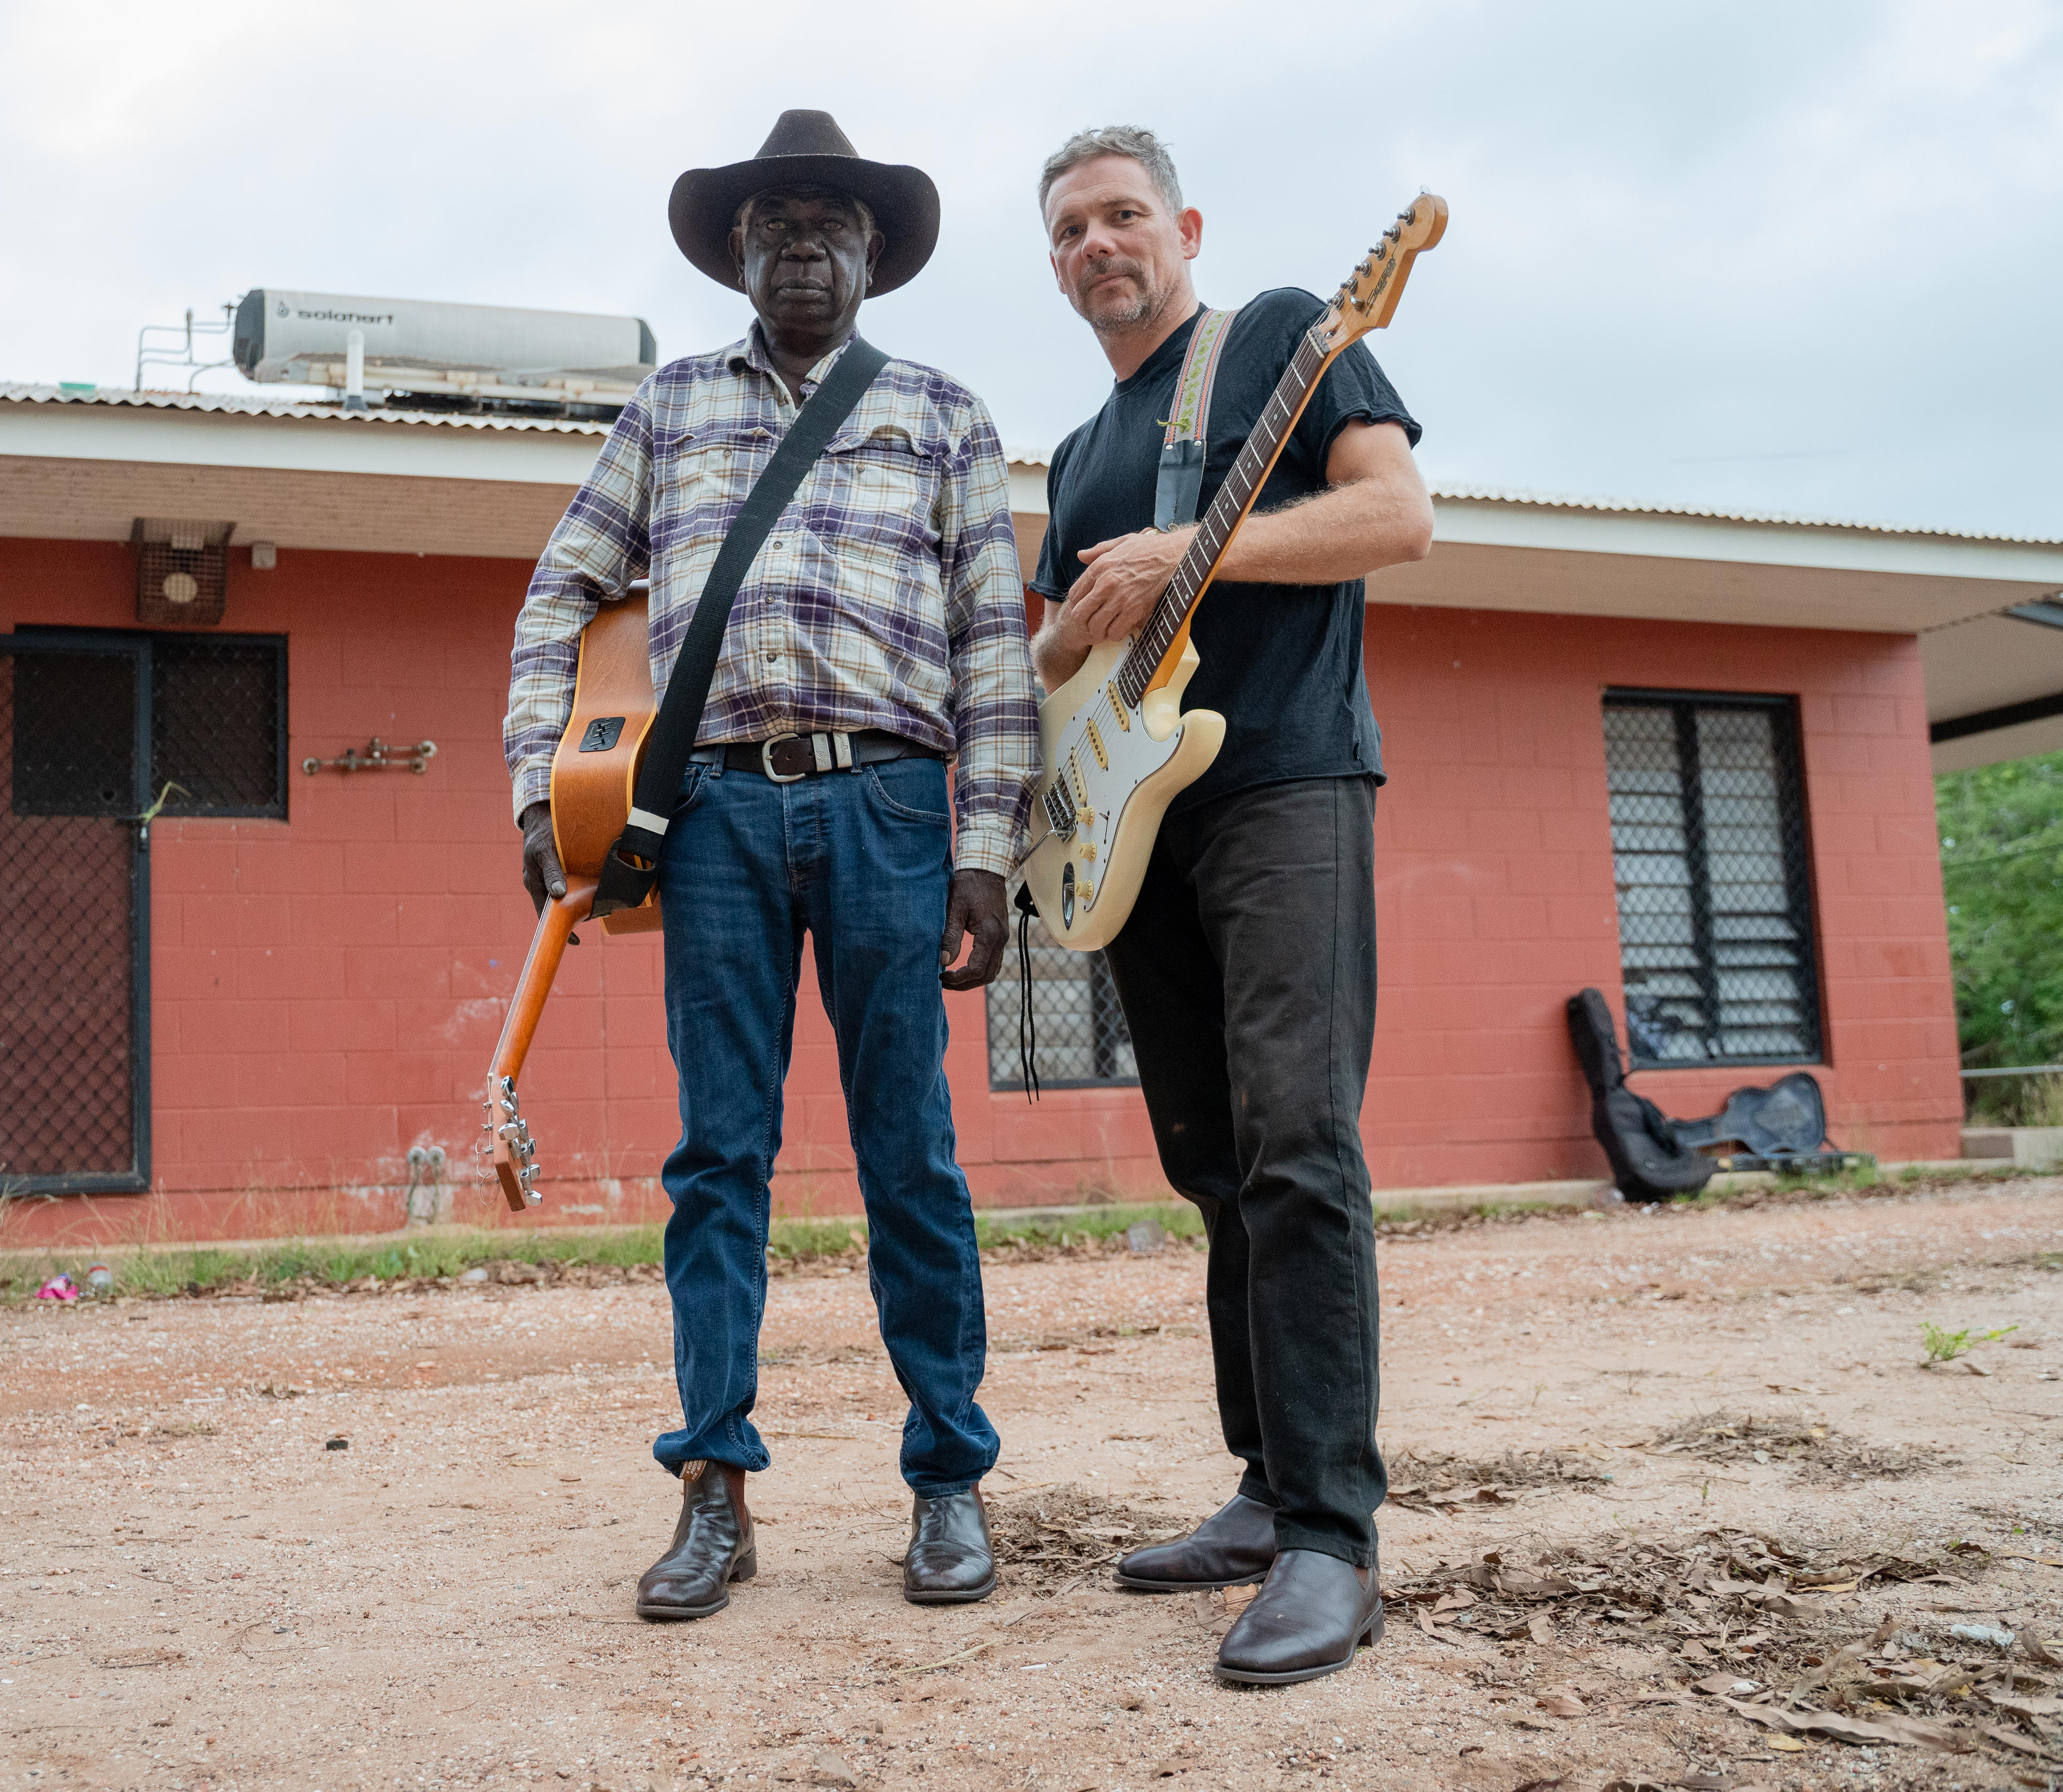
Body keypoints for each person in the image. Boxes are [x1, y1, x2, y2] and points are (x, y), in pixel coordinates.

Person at [503, 110, 1040, 1621]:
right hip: (718, 817)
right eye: (776, 227)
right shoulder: (669, 406)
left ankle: (948, 1481)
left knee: (909, 1152)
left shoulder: (943, 412)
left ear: (873, 255)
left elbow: (994, 645)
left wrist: (985, 848)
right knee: (717, 1158)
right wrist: (540, 787)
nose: (803, 248)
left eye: (832, 226)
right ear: (740, 255)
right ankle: (712, 1492)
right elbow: (560, 592)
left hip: (889, 808)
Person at [1025, 125, 1433, 1685]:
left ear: (1183, 227)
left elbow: (1395, 517)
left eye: (1122, 215)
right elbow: (1055, 659)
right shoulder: (1077, 453)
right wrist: (1071, 633)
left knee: (1299, 1143)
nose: (1097, 244)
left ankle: (1334, 1537)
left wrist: (1192, 554)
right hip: (1138, 827)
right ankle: (1265, 1489)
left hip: (1281, 786)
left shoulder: (1277, 339)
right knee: (1210, 1162)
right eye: (1069, 229)